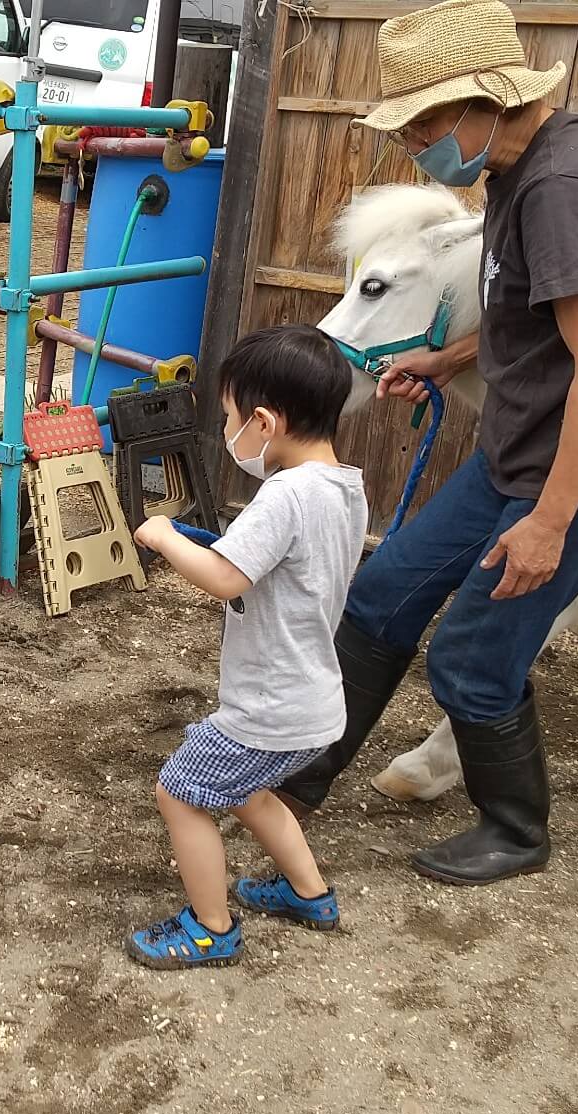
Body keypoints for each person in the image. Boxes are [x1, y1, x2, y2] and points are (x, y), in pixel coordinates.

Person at [274, 0, 578, 886]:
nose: (415, 141)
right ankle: (298, 775)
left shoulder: (563, 187)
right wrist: (450, 354)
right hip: (519, 448)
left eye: (425, 121)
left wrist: (551, 522)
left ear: (486, 100)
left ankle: (516, 827)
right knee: (383, 592)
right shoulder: (525, 166)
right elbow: (538, 318)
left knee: (474, 655)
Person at [126, 325, 370, 969]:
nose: (231, 431)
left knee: (180, 792)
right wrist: (206, 539)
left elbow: (224, 578)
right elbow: (279, 565)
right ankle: (307, 892)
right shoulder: (344, 488)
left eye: (233, 418)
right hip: (315, 705)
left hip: (266, 710)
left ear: (265, 422)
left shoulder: (283, 496)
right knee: (246, 791)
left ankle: (210, 929)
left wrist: (163, 536)